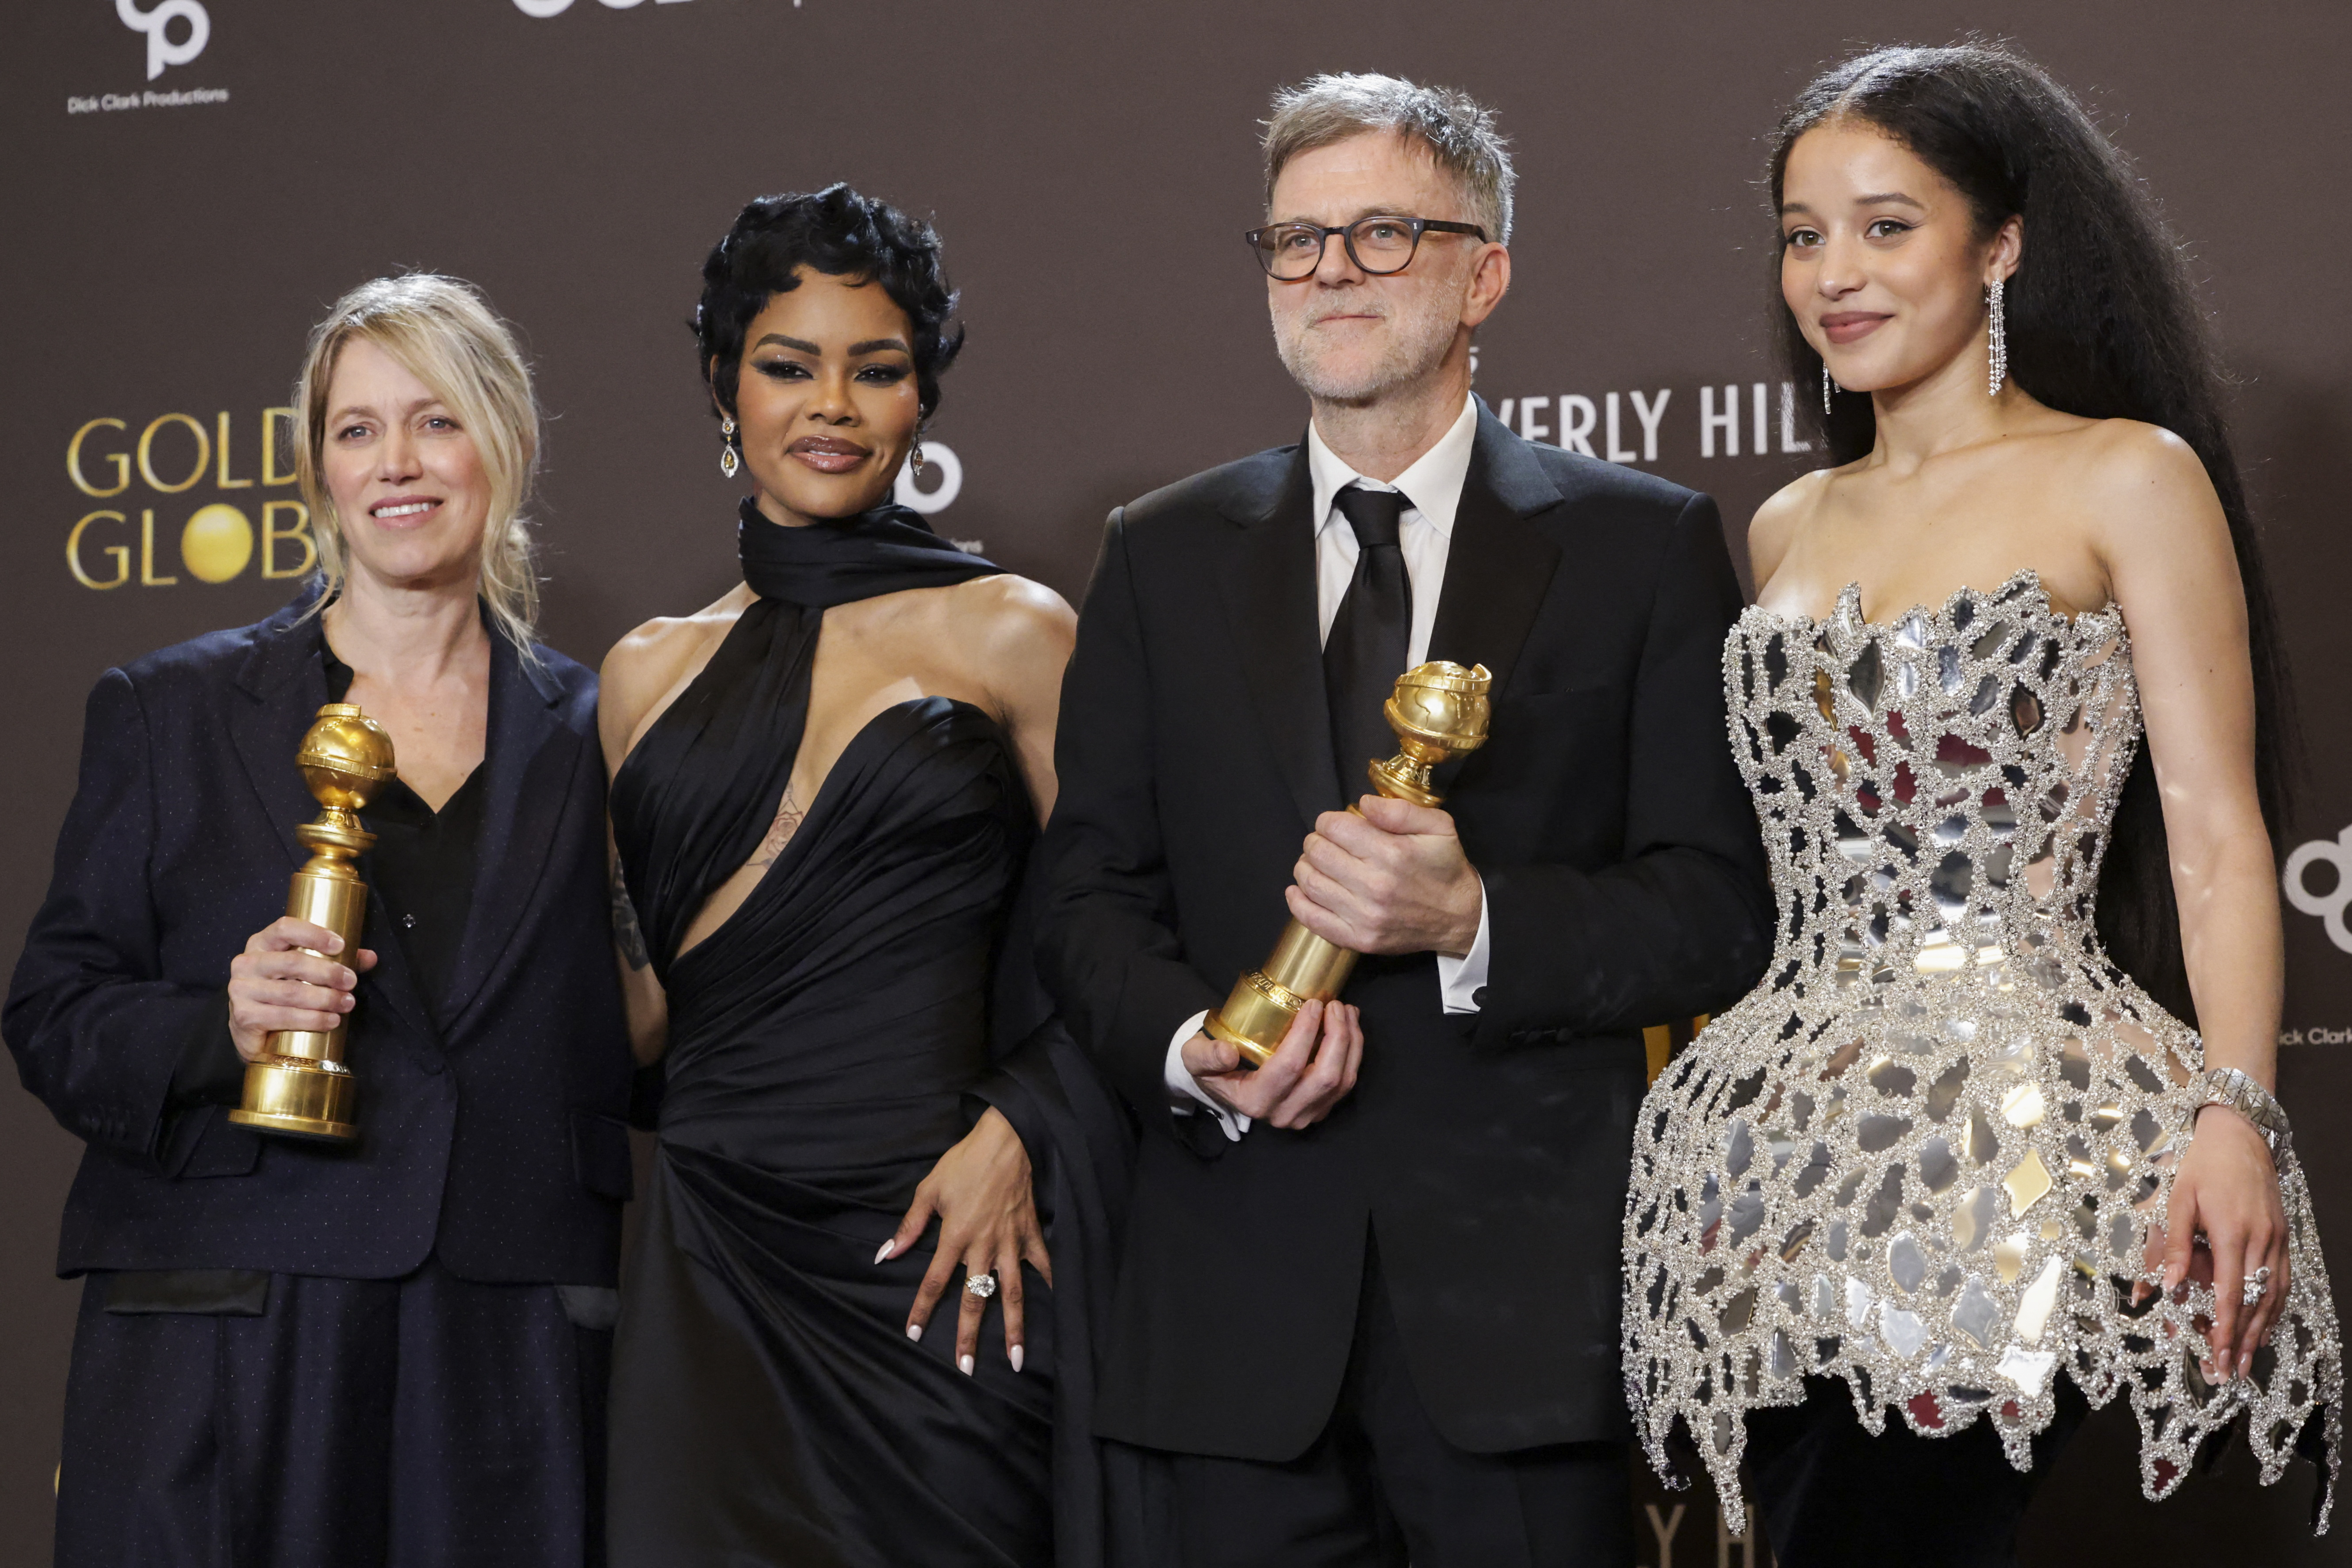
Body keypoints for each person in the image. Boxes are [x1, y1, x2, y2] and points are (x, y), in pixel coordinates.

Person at [1035, 73, 1774, 1567]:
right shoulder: (1159, 553)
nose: (1331, 272)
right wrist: (1194, 1047)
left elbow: (1722, 906)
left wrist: (1475, 920)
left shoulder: (1641, 544)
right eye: (1296, 242)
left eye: (1382, 234)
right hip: (1235, 1315)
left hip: (1522, 1325)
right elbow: (1085, 894)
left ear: (1484, 273)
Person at [1622, 42, 2343, 1568]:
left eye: (1887, 225)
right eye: (1804, 234)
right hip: (1781, 1147)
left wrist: (2236, 1111)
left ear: (2002, 244)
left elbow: (2218, 839)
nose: (1834, 272)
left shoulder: (2124, 478)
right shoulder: (1788, 521)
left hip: (2021, 1129)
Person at [5, 274, 634, 1566]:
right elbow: (54, 1011)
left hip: (505, 1333)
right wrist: (220, 1024)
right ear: (318, 468)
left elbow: (654, 1024)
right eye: (358, 429)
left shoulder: (607, 731)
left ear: (506, 442)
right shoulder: (171, 710)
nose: (397, 462)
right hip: (237, 1321)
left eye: (436, 420)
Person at [599, 184, 1132, 1568]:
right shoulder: (642, 672)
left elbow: (1126, 937)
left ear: (920, 398)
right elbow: (637, 1015)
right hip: (713, 1259)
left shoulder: (1013, 631)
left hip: (942, 1241)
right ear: (725, 387)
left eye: (875, 368)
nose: (831, 405)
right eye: (789, 365)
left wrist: (1021, 1129)